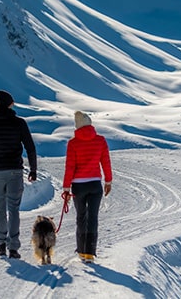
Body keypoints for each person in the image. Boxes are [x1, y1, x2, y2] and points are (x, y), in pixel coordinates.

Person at [0, 90, 37, 259]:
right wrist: (33, 170)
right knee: (14, 209)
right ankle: (13, 248)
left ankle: (1, 244)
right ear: (10, 103)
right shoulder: (19, 123)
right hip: (15, 171)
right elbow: (30, 148)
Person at [62, 111, 112, 262]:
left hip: (78, 186)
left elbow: (69, 167)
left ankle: (81, 251)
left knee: (81, 217)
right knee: (93, 218)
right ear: (90, 123)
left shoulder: (73, 143)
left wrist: (66, 188)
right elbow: (106, 162)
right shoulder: (100, 140)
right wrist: (108, 181)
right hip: (95, 185)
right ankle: (90, 252)